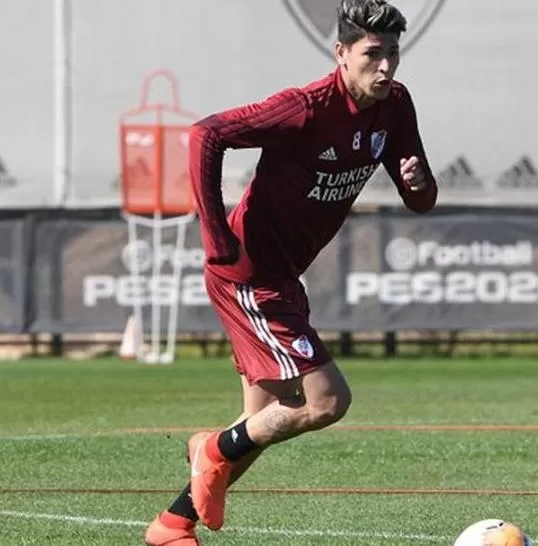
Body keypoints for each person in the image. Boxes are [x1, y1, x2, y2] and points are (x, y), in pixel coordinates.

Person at [144, 0, 437, 543]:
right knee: (326, 401)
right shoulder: (304, 108)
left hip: (282, 276)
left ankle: (172, 523)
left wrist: (418, 182)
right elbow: (205, 135)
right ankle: (210, 448)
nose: (386, 67)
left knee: (259, 427)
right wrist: (215, 234)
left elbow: (421, 200)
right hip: (249, 274)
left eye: (393, 54)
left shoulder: (394, 105)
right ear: (341, 54)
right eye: (373, 54)